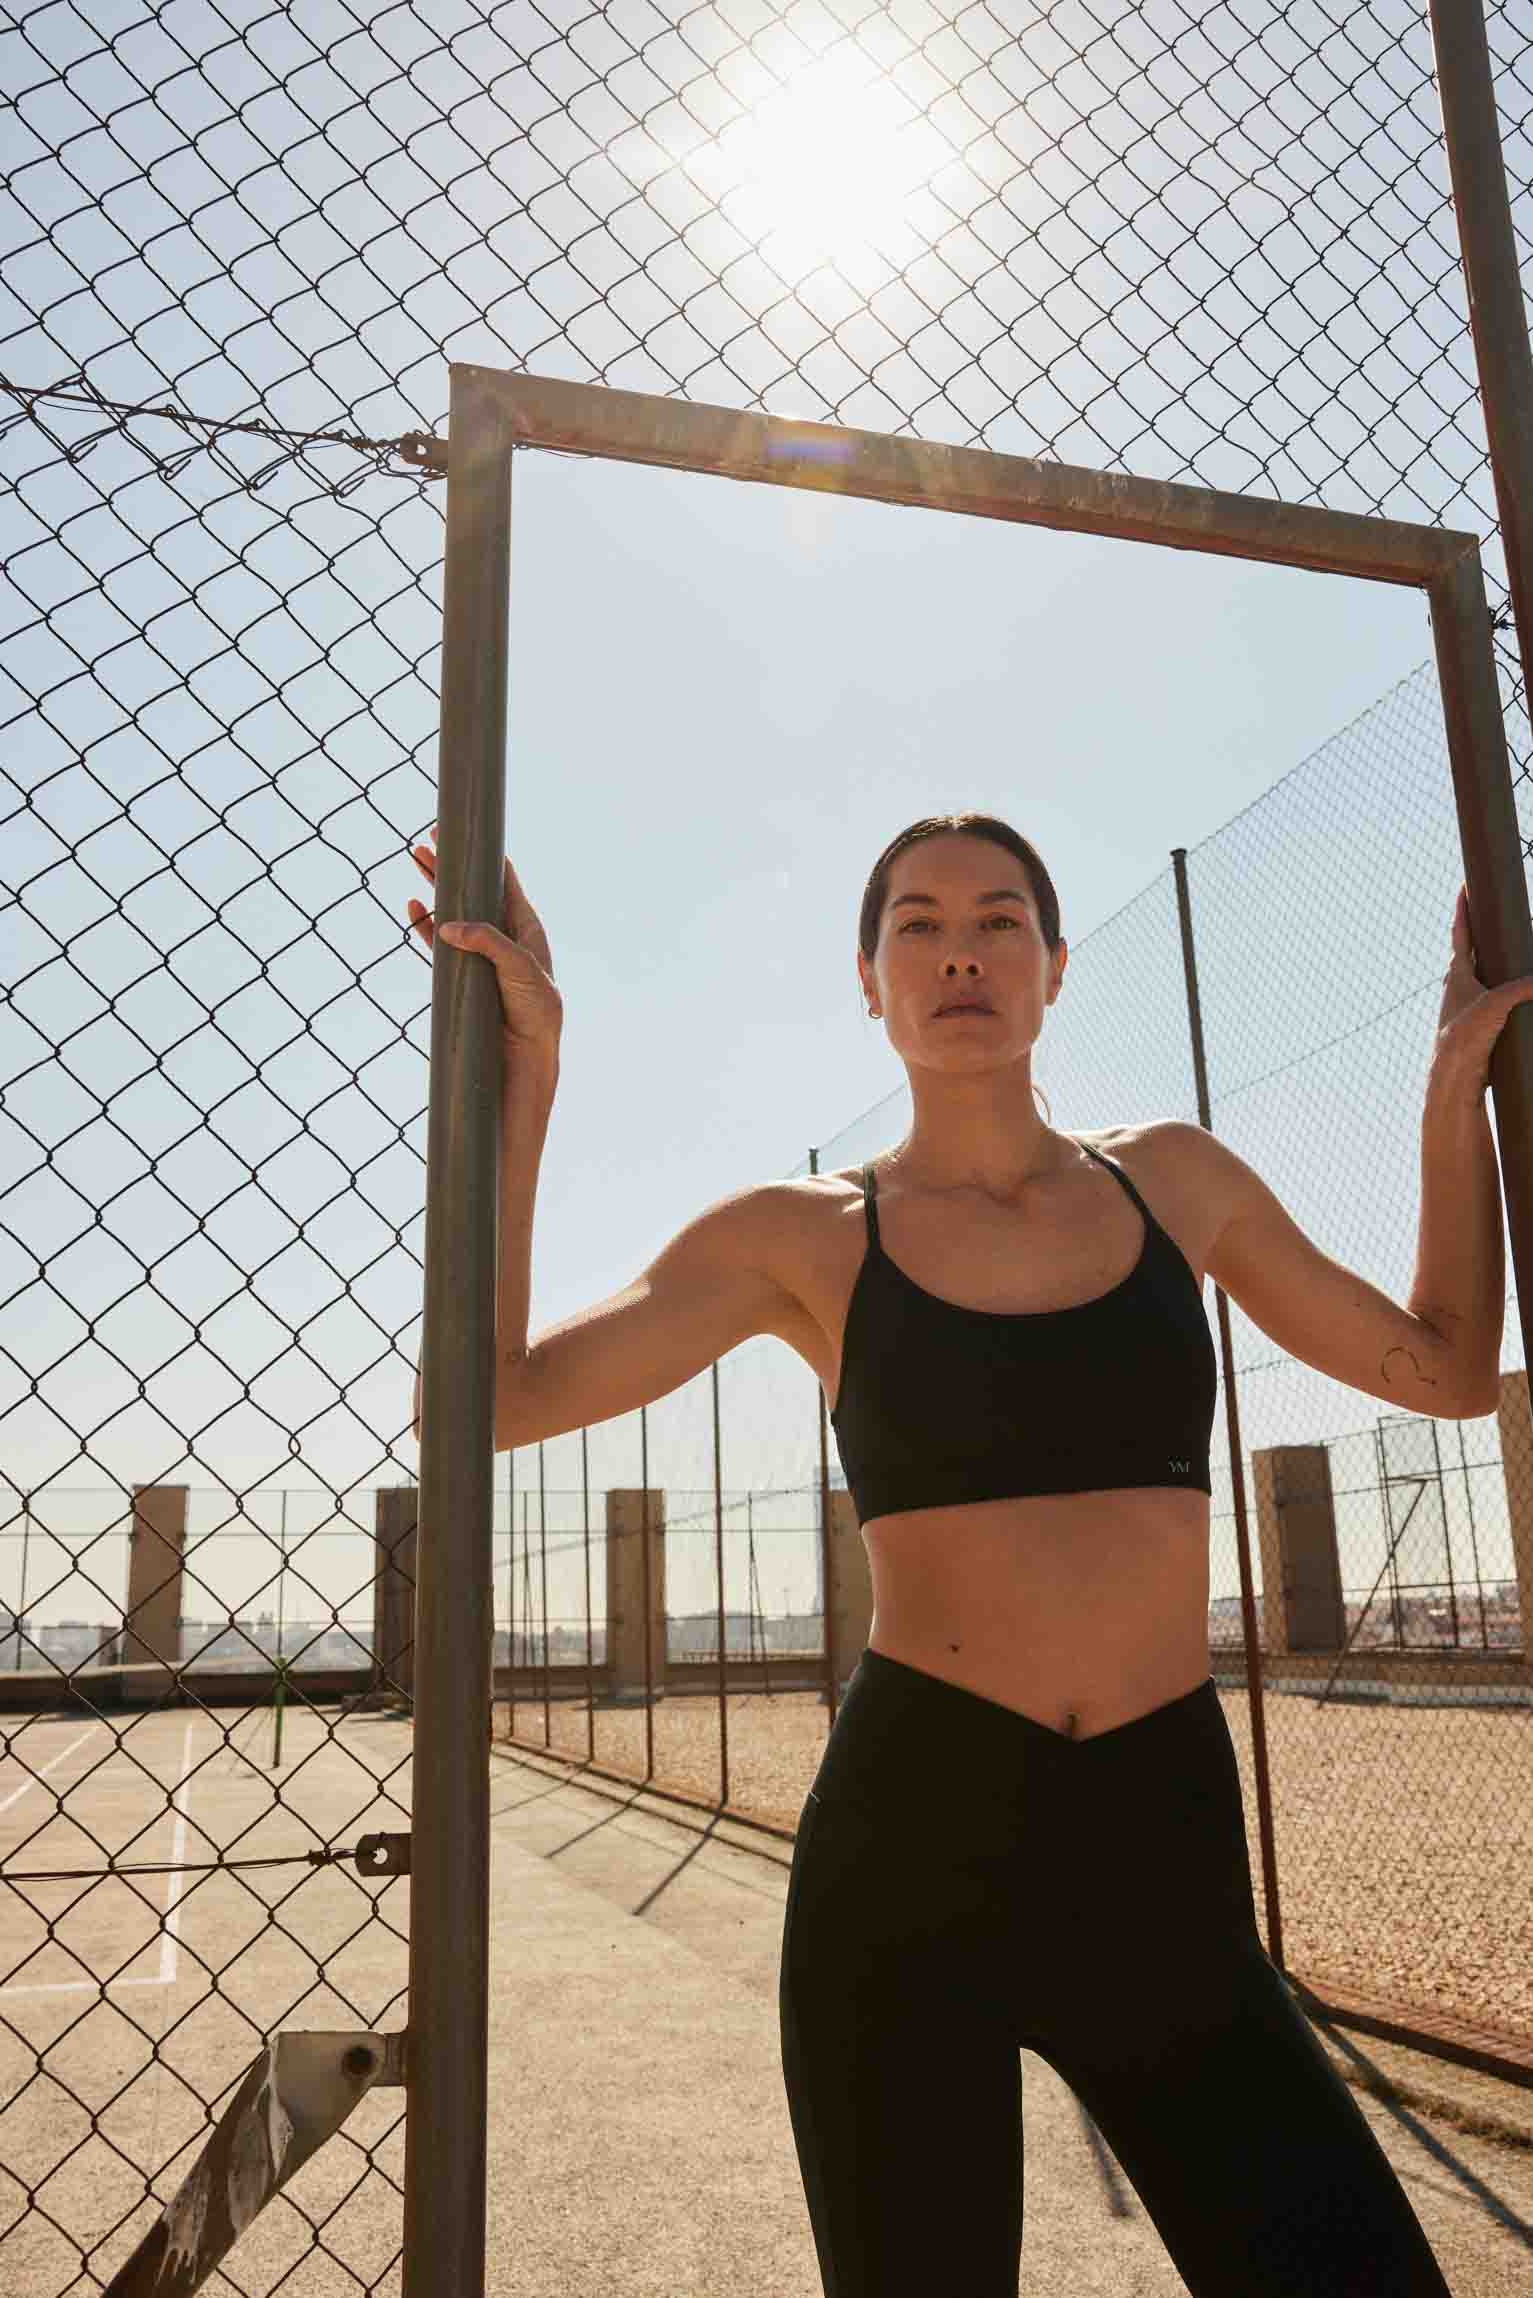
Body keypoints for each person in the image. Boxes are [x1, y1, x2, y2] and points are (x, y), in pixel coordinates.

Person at [408, 811, 1516, 2295]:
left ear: (1054, 967)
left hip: (1155, 1842)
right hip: (911, 1852)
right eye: (914, 924)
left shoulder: (1173, 1183)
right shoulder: (802, 1233)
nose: (958, 952)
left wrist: (1456, 1086)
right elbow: (492, 1395)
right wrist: (523, 1077)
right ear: (868, 979)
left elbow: (1442, 1368)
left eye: (998, 919)